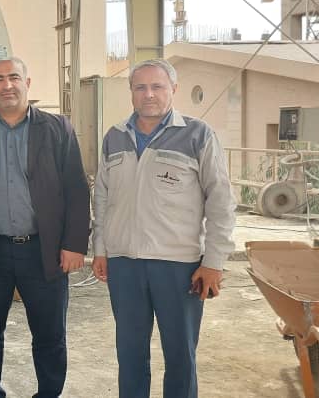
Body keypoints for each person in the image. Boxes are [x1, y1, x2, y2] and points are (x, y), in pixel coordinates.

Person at [0, 57, 90, 398]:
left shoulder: (57, 129)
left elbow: (76, 189)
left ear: (27, 82)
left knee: (50, 333)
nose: (6, 85)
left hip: (44, 250)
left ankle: (49, 393)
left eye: (13, 77)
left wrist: (74, 244)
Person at [91, 58, 235, 398]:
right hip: (125, 264)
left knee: (180, 355)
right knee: (130, 354)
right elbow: (102, 198)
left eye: (157, 86)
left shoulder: (198, 135)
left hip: (178, 266)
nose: (149, 94)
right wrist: (100, 249)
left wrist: (214, 262)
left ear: (173, 89)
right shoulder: (115, 137)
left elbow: (221, 202)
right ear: (131, 92)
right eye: (140, 87)